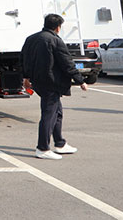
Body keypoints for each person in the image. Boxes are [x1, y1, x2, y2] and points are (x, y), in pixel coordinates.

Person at [20, 13, 88, 160]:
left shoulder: (31, 38)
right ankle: (42, 148)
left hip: (38, 81)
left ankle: (60, 143)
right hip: (51, 82)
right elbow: (67, 63)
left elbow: (24, 59)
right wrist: (80, 80)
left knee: (57, 112)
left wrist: (25, 78)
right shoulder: (55, 40)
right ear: (58, 27)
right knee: (49, 114)